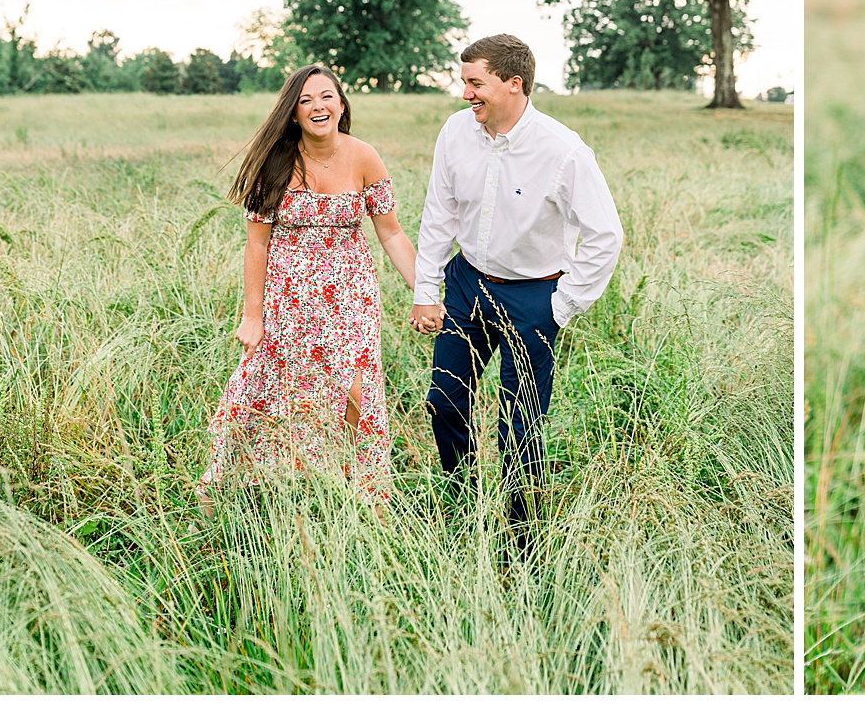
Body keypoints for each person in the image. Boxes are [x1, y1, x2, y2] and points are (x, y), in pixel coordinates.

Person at [407, 34, 623, 525]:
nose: (466, 94)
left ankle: (521, 531)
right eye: (464, 83)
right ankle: (461, 507)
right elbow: (439, 214)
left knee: (520, 423)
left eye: (475, 83)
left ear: (513, 84)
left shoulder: (564, 151)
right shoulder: (455, 132)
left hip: (535, 295)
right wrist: (426, 292)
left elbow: (605, 235)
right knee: (443, 401)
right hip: (467, 283)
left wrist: (559, 307)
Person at [199, 63, 420, 507]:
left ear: (341, 104)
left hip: (351, 302)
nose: (317, 106)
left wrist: (426, 291)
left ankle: (369, 499)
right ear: (294, 114)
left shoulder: (364, 157)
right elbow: (256, 246)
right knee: (262, 392)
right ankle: (220, 489)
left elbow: (391, 233)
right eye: (305, 100)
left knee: (358, 396)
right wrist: (251, 316)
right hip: (288, 303)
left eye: (326, 96)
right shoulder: (275, 164)